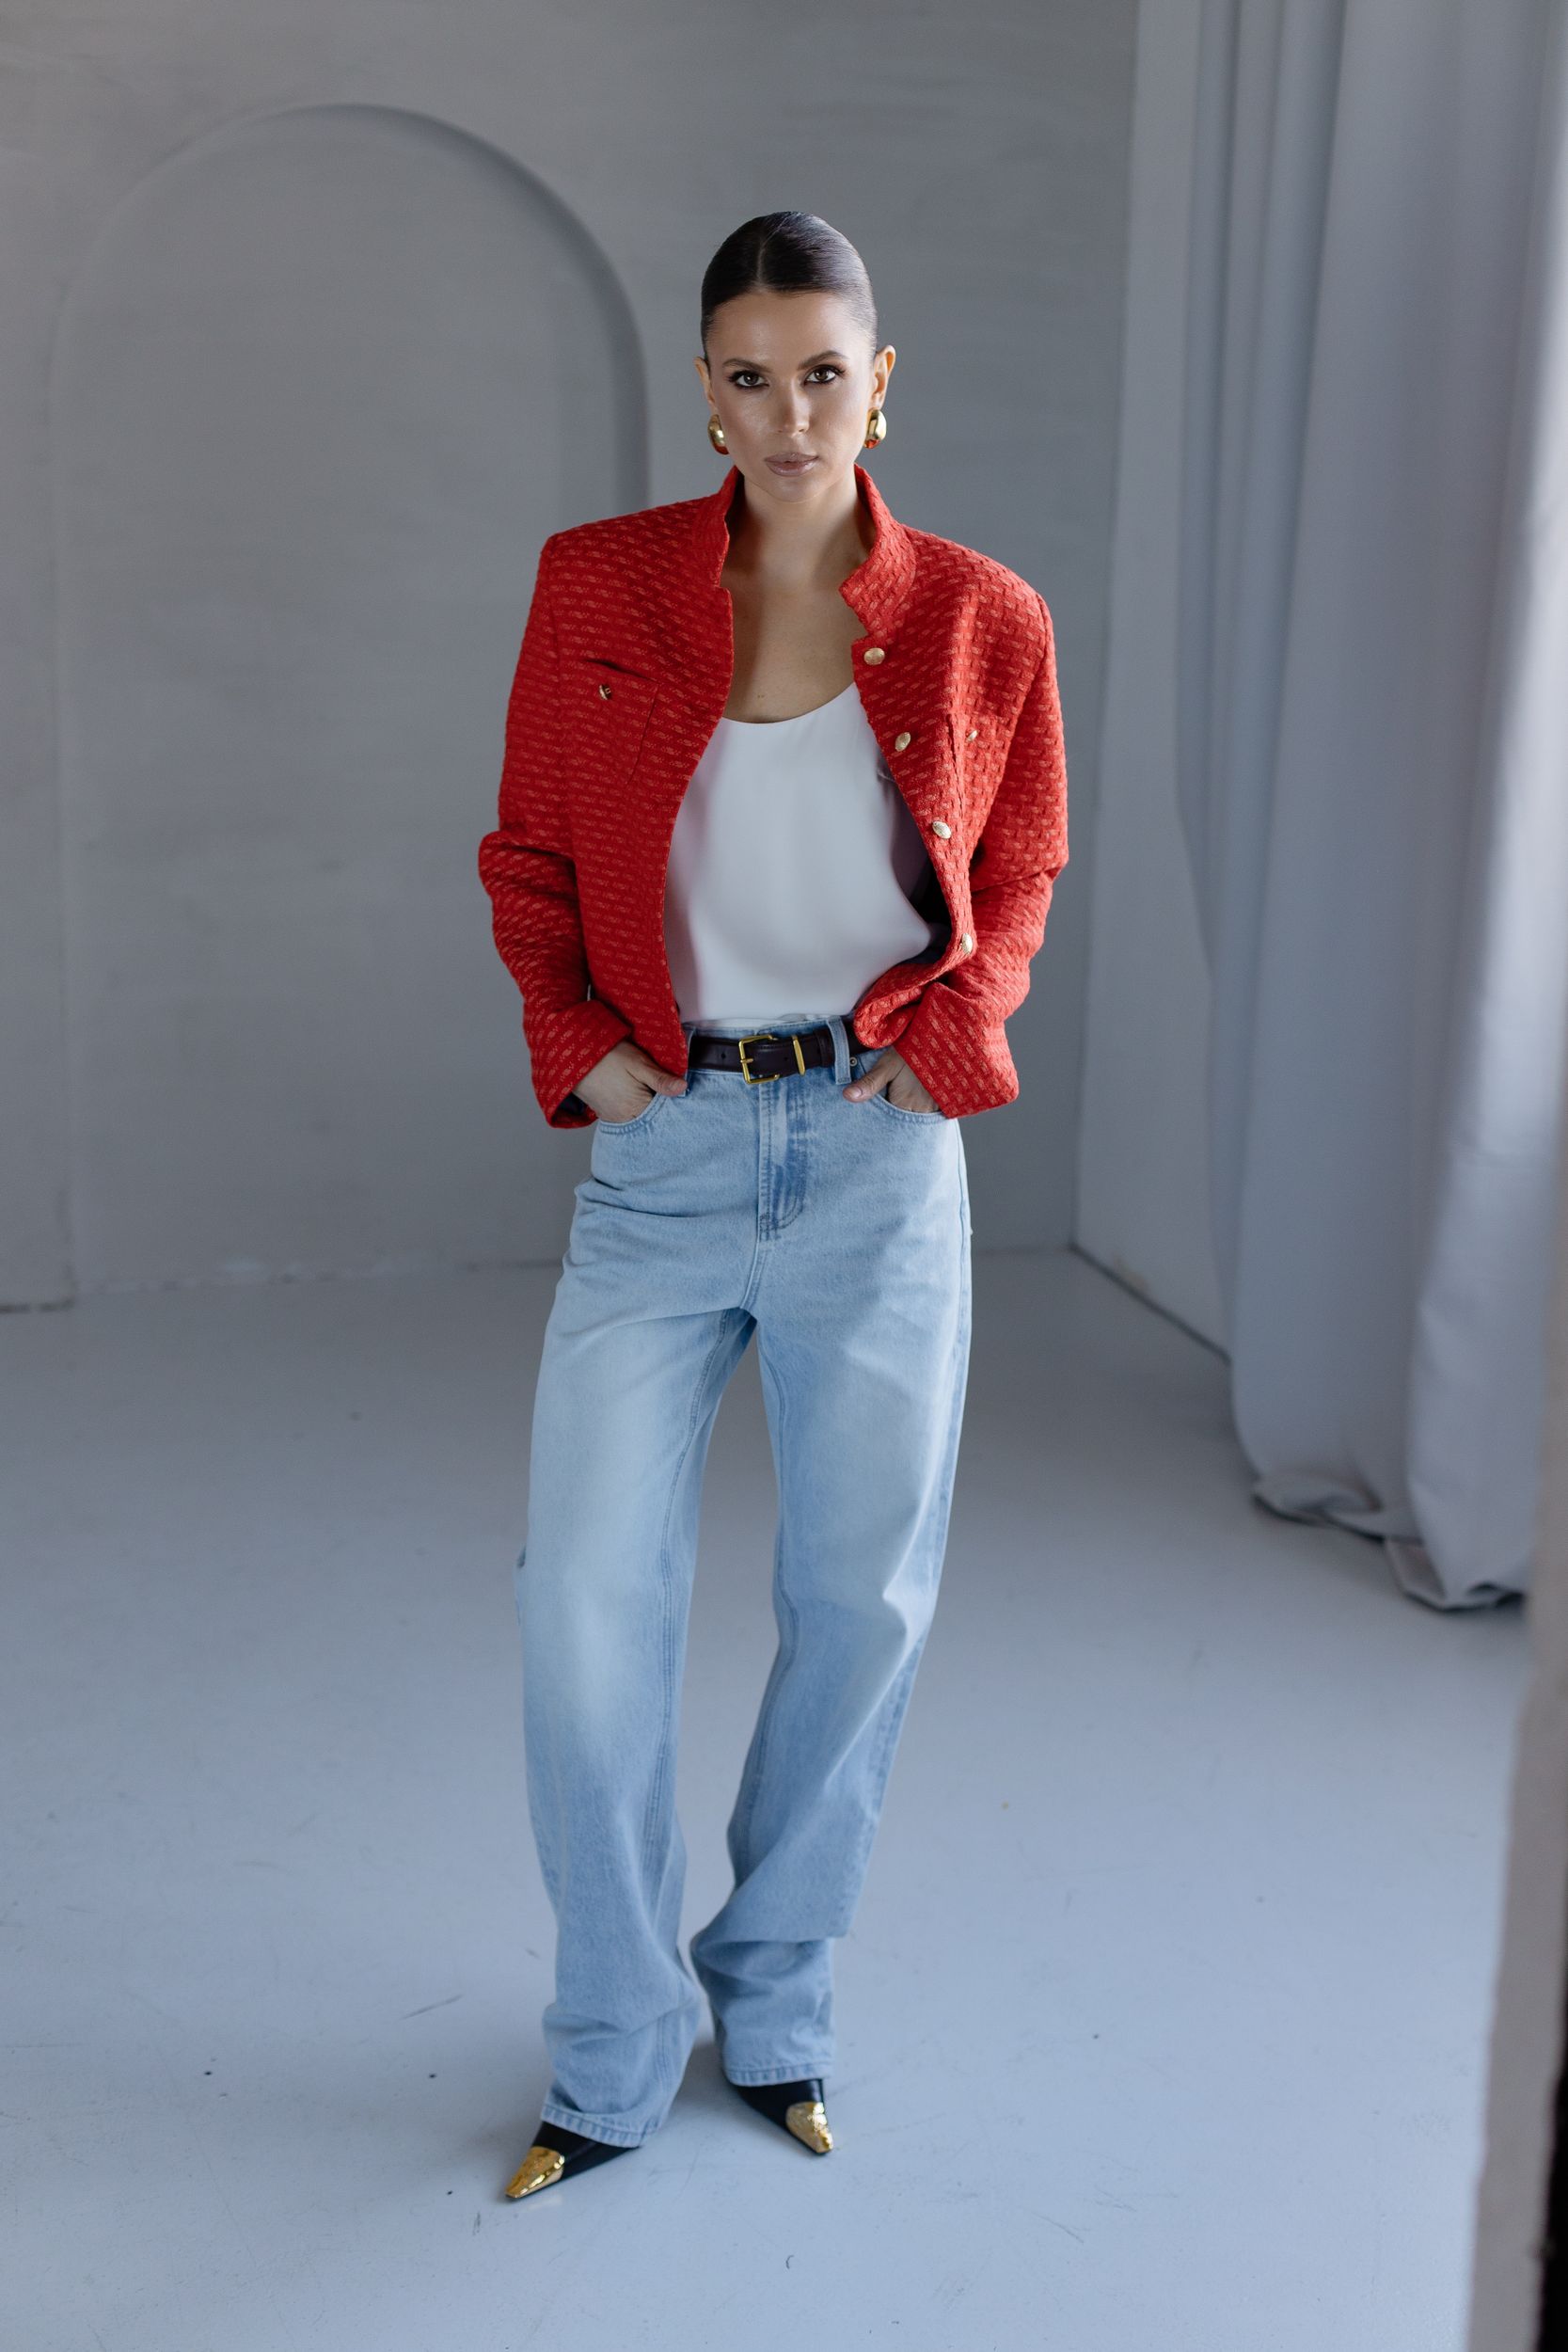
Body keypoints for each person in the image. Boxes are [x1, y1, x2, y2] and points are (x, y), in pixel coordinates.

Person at [477, 211, 1069, 2200]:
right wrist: (580, 1043)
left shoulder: (981, 613)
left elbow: (1025, 858)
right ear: (707, 392)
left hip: (878, 1161)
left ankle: (781, 2004)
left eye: (824, 372)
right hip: (666, 1155)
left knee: (860, 1600)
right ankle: (609, 2042)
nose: (790, 411)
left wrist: (952, 1036)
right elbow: (530, 851)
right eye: (751, 375)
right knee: (585, 1605)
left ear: (878, 384)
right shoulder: (597, 585)